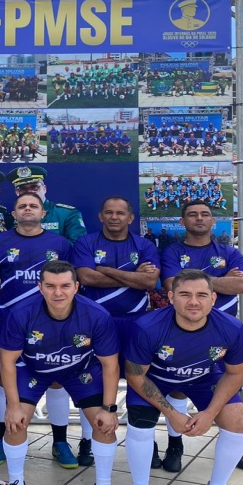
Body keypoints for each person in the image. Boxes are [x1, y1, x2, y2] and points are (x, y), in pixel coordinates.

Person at [123, 270, 243, 485]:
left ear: (213, 298)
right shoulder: (147, 326)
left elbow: (236, 373)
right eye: (185, 294)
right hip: (155, 379)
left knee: (237, 420)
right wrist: (172, 414)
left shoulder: (231, 327)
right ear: (171, 297)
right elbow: (135, 375)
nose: (193, 302)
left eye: (201, 295)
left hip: (202, 377)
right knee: (140, 423)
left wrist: (209, 414)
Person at [0, 261, 126, 485]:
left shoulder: (96, 314)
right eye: (51, 286)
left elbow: (110, 365)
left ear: (76, 287)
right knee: (15, 422)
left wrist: (109, 409)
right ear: (40, 287)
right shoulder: (21, 313)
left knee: (105, 424)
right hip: (33, 369)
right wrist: (12, 406)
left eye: (65, 286)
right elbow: (7, 361)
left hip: (80, 371)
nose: (58, 293)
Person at [159, 199, 243, 473]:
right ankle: (175, 444)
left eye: (205, 214)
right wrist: (221, 279)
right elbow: (171, 285)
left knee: (231, 384)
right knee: (178, 386)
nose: (199, 218)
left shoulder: (229, 252)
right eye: (192, 214)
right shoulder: (172, 251)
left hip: (223, 336)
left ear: (213, 221)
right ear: (182, 222)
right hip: (183, 332)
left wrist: (193, 280)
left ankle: (234, 445)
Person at [0, 192, 73, 466]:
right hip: (8, 323)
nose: (28, 209)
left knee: (56, 379)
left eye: (34, 206)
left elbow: (69, 285)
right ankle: (4, 438)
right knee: (5, 379)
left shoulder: (60, 243)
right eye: (22, 206)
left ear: (44, 213)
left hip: (52, 325)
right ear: (14, 214)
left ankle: (60, 441)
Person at [73, 197, 161, 466]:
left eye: (120, 213)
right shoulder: (86, 242)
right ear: (100, 216)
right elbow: (86, 277)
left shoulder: (144, 245)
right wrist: (132, 275)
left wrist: (105, 270)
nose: (114, 217)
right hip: (95, 324)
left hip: (135, 324)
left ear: (130, 218)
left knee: (140, 381)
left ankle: (146, 439)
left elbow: (149, 281)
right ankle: (88, 439)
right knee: (92, 380)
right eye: (109, 212)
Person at [6, 165, 86, 245]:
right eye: (23, 189)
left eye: (34, 187)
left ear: (44, 189)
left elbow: (78, 245)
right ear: (17, 192)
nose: (29, 192)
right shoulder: (10, 218)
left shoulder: (67, 214)